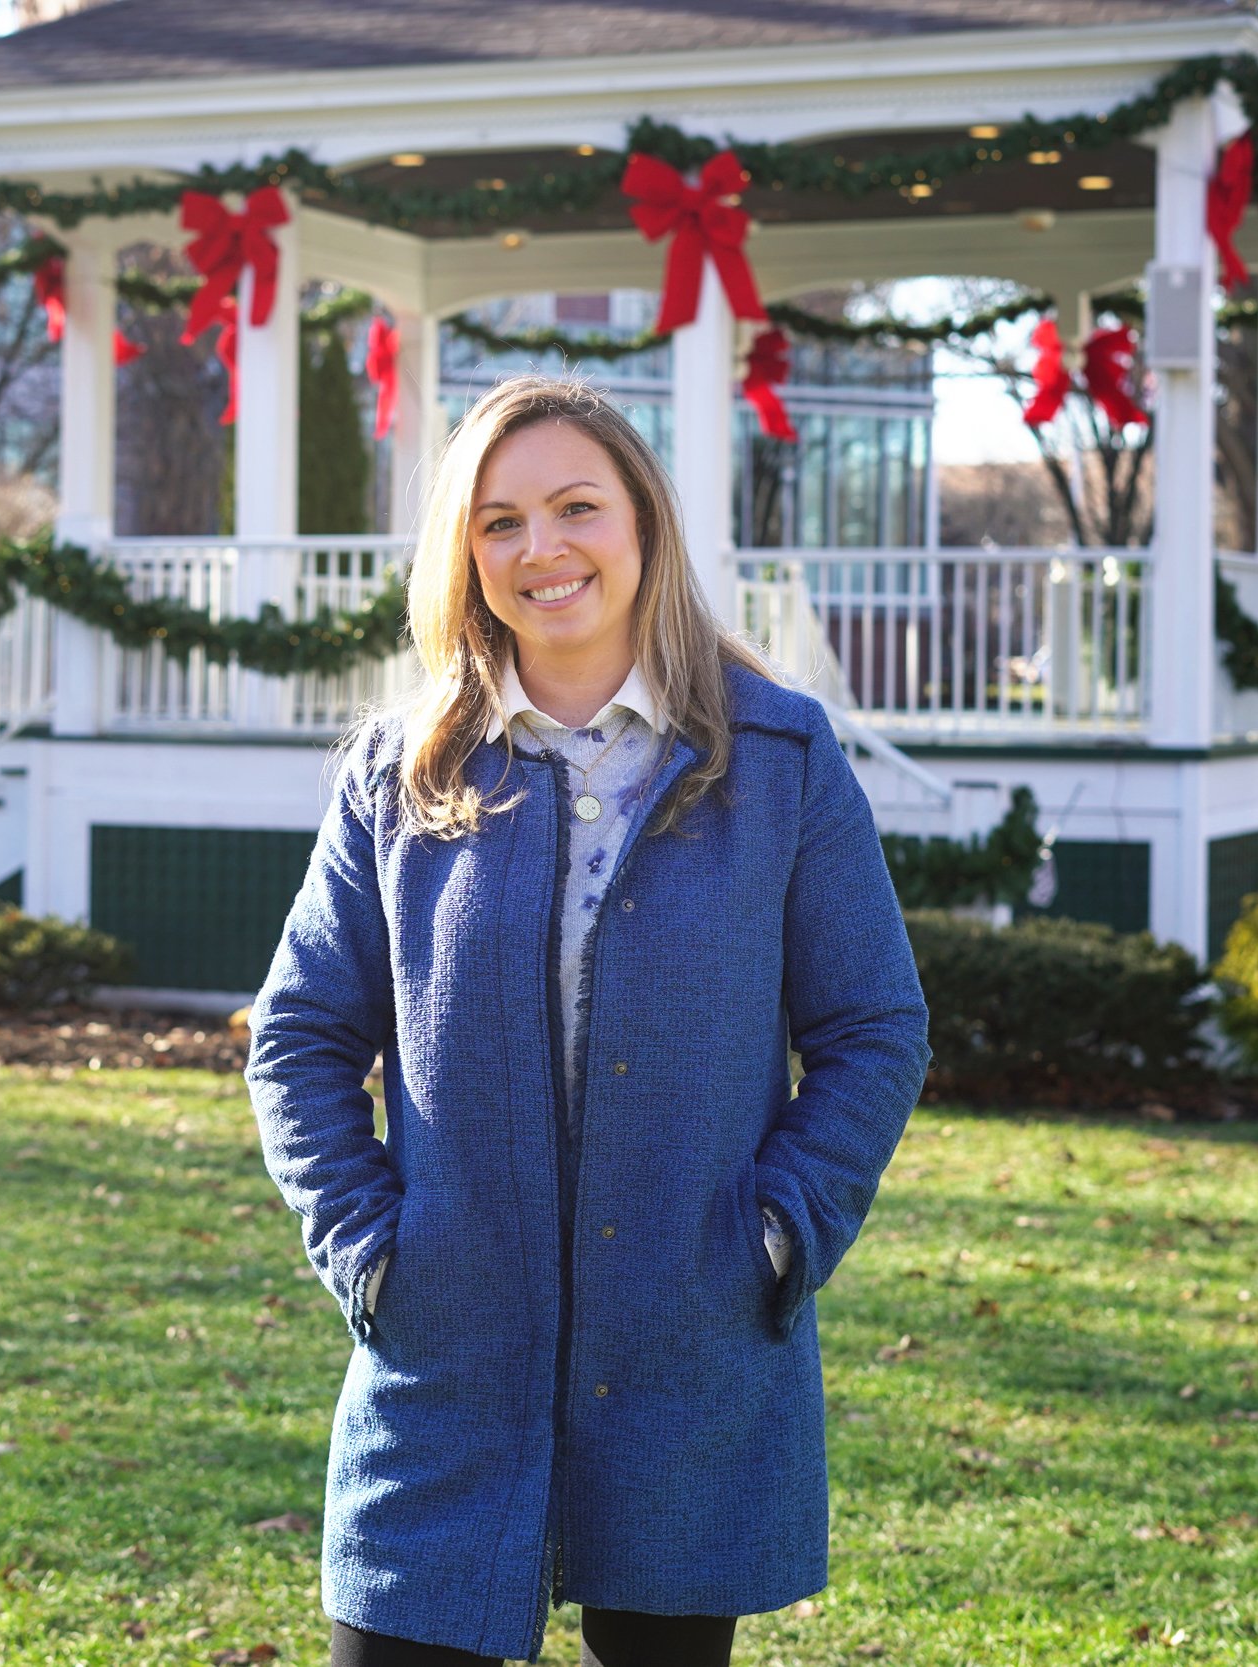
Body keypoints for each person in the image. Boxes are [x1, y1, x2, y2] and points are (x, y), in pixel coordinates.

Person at [244, 375, 932, 1666]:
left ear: (645, 526)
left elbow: (874, 1027)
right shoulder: (403, 774)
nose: (540, 549)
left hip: (691, 1340)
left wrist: (780, 1234)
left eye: (575, 507)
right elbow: (298, 1035)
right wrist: (369, 1248)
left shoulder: (779, 758)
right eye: (498, 522)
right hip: (447, 1351)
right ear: (465, 555)